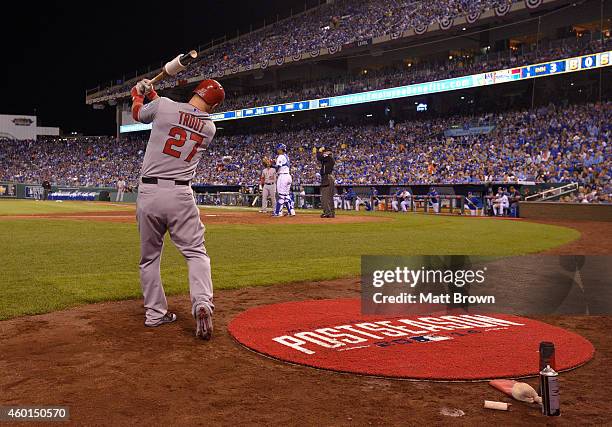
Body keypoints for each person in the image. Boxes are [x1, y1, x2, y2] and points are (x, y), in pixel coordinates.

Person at [130, 77, 225, 340]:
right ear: (213, 106)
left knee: (149, 259)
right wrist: (152, 94)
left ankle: (155, 314)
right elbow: (176, 113)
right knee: (196, 253)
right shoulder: (209, 128)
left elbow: (140, 114)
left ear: (196, 90)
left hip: (149, 193)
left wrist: (138, 94)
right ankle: (202, 303)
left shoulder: (165, 106)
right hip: (181, 194)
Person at [273, 143, 295, 217]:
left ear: (280, 149)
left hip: (283, 176)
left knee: (281, 196)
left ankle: (278, 212)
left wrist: (270, 165)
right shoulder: (286, 156)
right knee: (286, 195)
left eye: (278, 149)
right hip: (288, 176)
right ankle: (291, 211)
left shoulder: (280, 156)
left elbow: (277, 167)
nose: (277, 150)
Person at [317, 146, 335, 218]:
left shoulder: (328, 157)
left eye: (325, 151)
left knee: (325, 196)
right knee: (330, 197)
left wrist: (319, 150)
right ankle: (331, 213)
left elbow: (319, 157)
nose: (324, 152)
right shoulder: (330, 158)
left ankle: (327, 212)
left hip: (327, 177)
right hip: (329, 177)